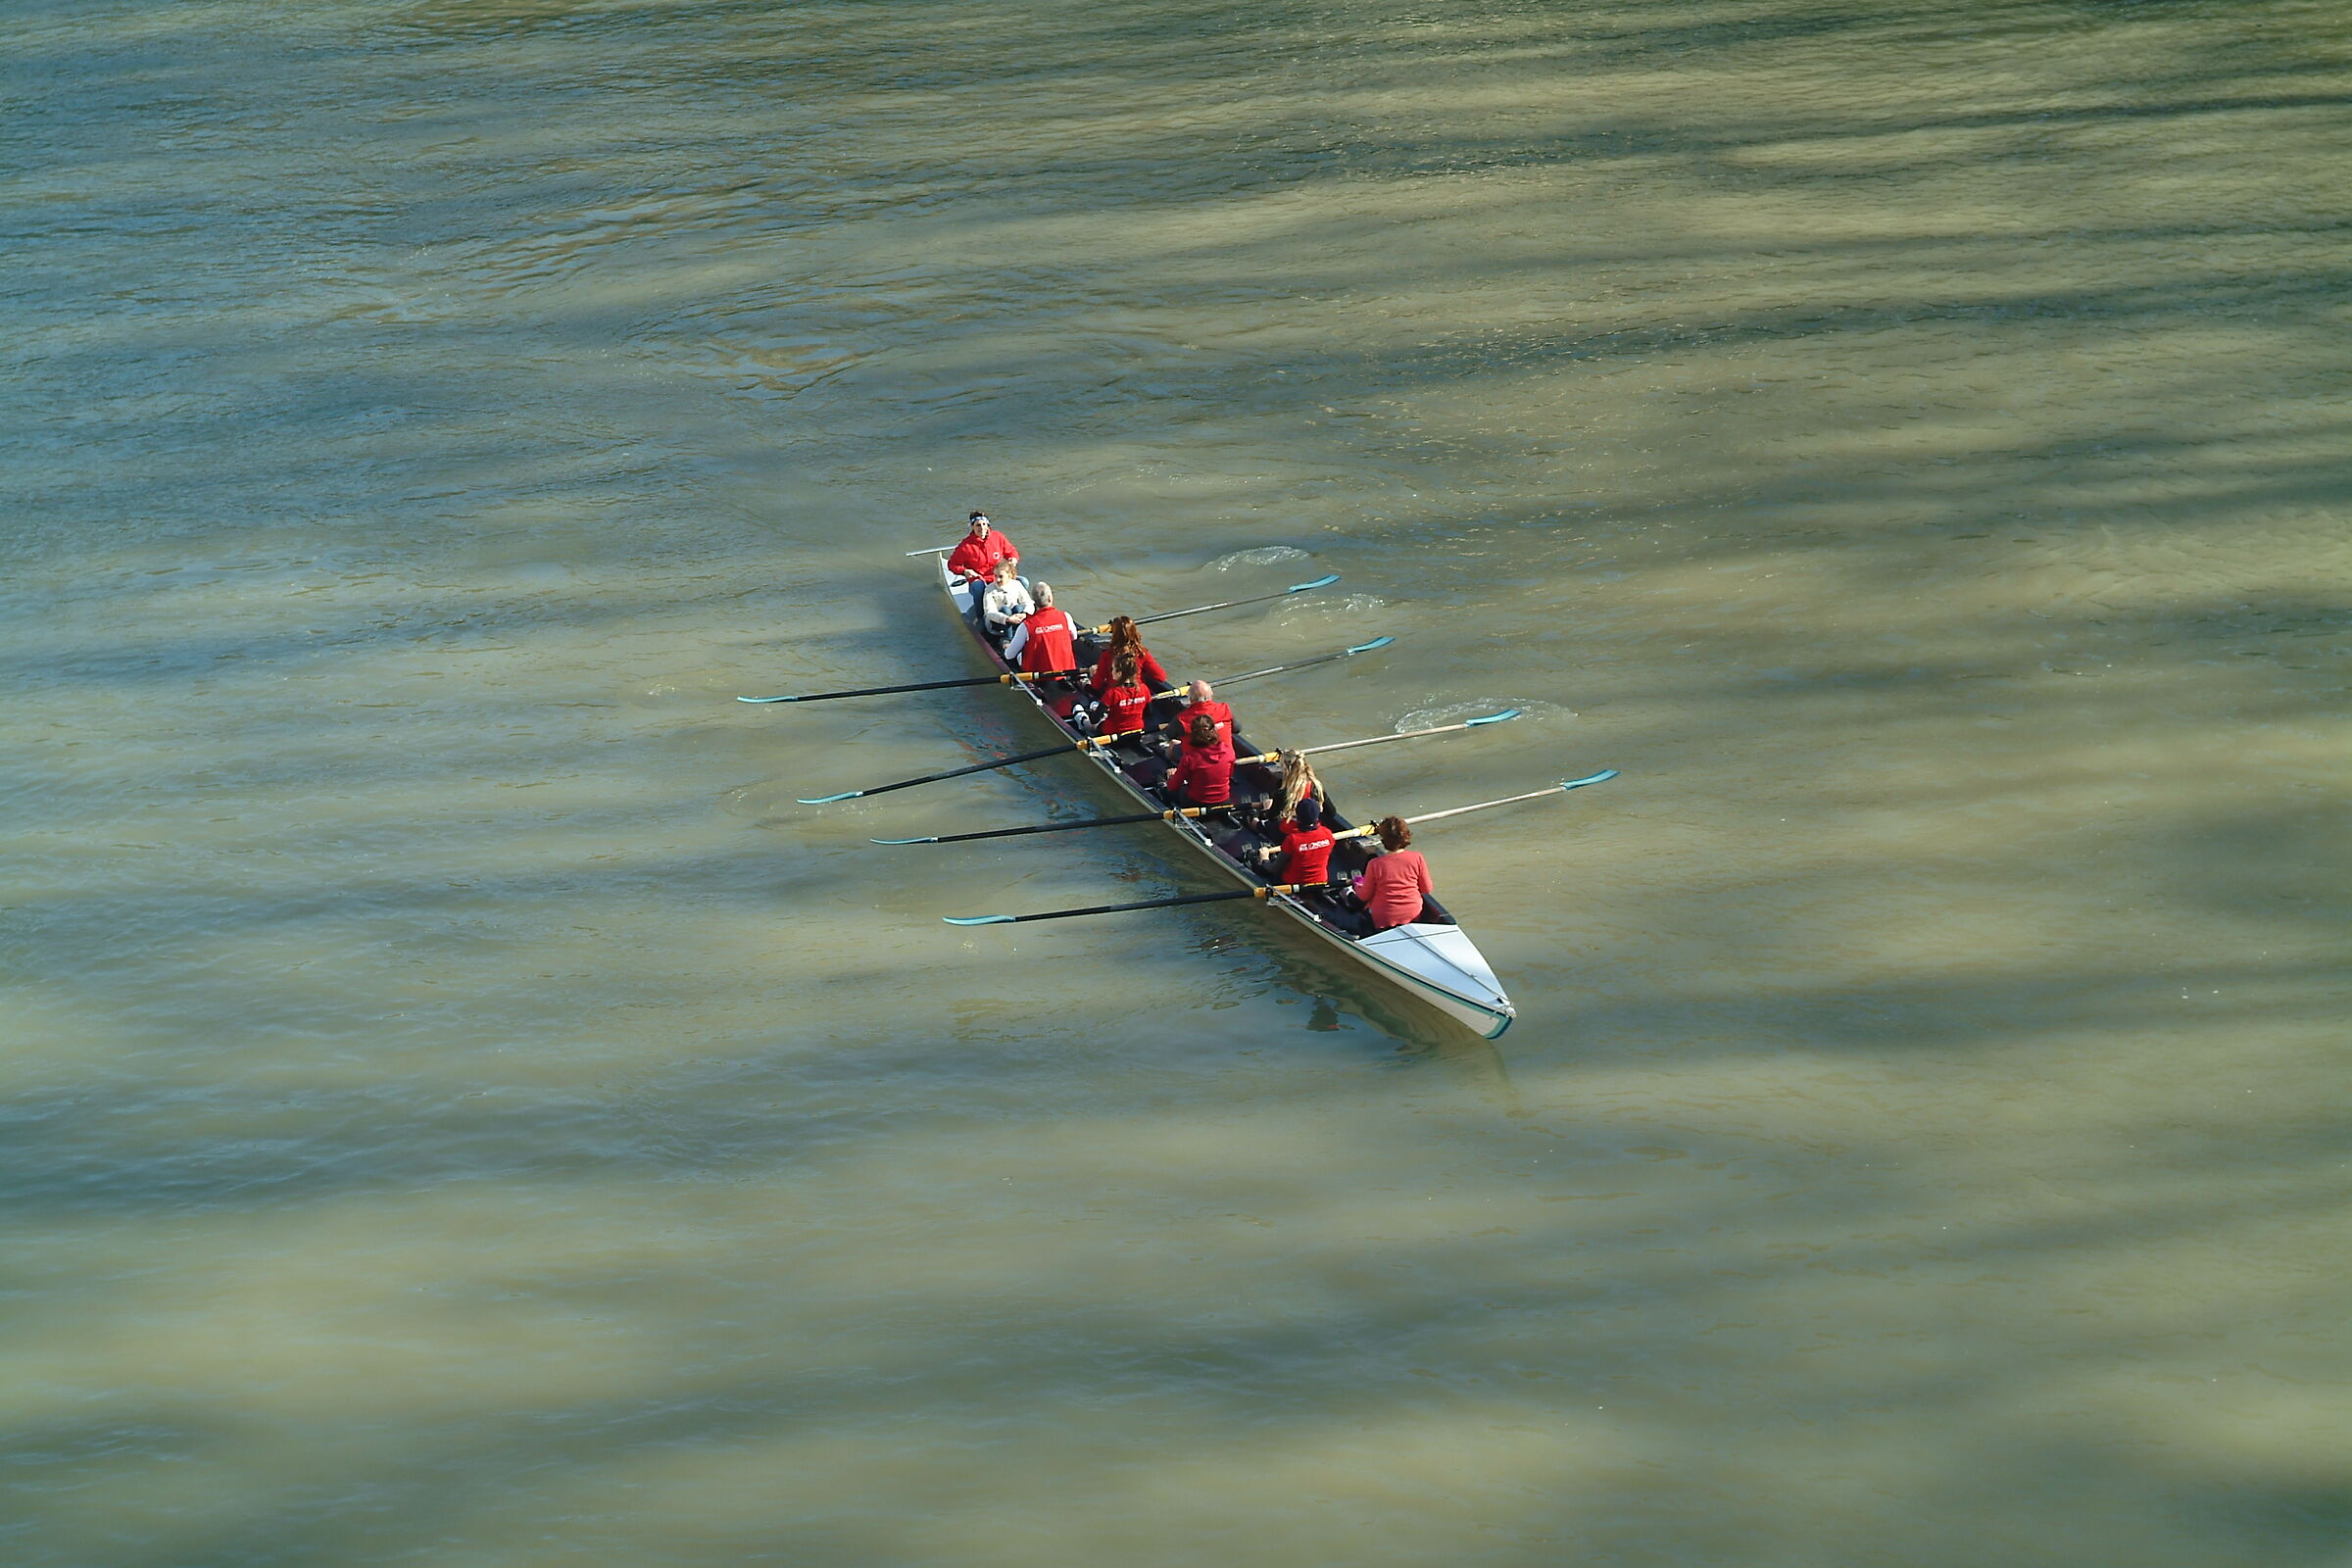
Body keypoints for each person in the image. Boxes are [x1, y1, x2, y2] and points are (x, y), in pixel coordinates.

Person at [1352, 815, 1434, 931]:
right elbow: (1426, 889)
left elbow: (1364, 895)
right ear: (1406, 836)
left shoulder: (1375, 864)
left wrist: (1357, 886)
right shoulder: (1417, 857)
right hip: (1413, 913)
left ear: (1383, 839)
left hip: (1384, 917)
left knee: (1351, 903)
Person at [1004, 581, 1078, 676]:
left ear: (1034, 602)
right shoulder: (1066, 616)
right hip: (1066, 670)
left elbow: (1009, 655)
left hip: (1037, 675)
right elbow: (1073, 637)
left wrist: (1008, 647)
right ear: (1050, 598)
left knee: (1014, 653)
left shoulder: (1026, 625)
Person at [1262, 798, 1336, 887]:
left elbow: (1274, 869)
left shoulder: (1293, 839)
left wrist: (1264, 859)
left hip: (1293, 884)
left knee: (1260, 865)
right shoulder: (1328, 834)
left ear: (1298, 816)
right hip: (1320, 882)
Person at [1164, 711, 1234, 807]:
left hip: (1196, 803)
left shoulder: (1190, 757)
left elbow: (1173, 786)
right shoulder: (1228, 751)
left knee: (1165, 789)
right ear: (1214, 732)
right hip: (1224, 801)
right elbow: (1229, 775)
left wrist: (1171, 777)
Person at [1091, 646, 1156, 740]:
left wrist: (1093, 713)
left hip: (1112, 734)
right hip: (1136, 732)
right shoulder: (1144, 689)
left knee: (1092, 724)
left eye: (1112, 669)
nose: (1111, 671)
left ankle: (1080, 717)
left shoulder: (1112, 693)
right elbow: (1149, 713)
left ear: (1119, 673)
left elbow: (1094, 720)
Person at [1089, 615, 1168, 691]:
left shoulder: (1107, 655)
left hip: (1115, 696)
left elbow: (1096, 685)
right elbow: (1161, 677)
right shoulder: (1142, 653)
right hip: (1138, 692)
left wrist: (1093, 675)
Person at [945, 512, 1018, 583]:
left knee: (1023, 581)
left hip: (999, 577)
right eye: (978, 525)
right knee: (978, 587)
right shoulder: (965, 546)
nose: (982, 528)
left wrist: (1013, 559)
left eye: (984, 524)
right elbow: (952, 564)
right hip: (979, 579)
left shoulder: (998, 537)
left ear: (987, 525)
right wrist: (964, 571)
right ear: (972, 527)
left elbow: (1011, 552)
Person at [1161, 678, 1233, 746]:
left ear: (1190, 699)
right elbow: (1237, 729)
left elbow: (1169, 735)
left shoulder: (1181, 719)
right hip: (1225, 754)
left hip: (1196, 755)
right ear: (1211, 694)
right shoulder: (1224, 708)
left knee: (1172, 745)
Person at [978, 559, 1033, 639]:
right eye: (995, 576)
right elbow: (989, 612)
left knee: (1018, 608)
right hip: (997, 622)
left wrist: (1024, 614)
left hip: (1015, 619)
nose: (997, 580)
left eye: (1001, 576)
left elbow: (1029, 603)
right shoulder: (989, 589)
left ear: (1009, 575)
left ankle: (1022, 636)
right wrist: (1007, 619)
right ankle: (1008, 640)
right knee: (1005, 610)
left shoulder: (1016, 584)